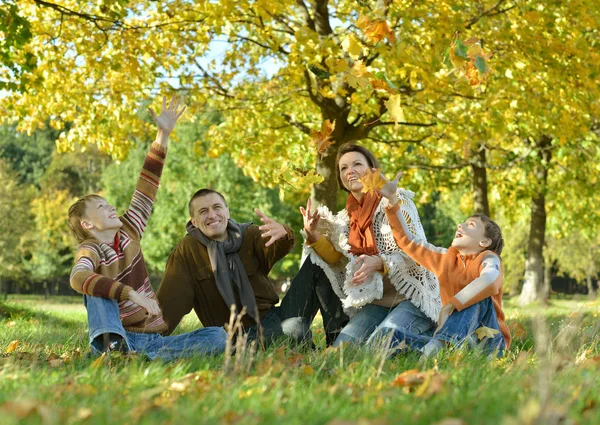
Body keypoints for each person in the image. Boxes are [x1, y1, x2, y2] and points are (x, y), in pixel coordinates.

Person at [68, 96, 227, 360]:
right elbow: (77, 277)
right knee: (95, 287)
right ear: (87, 224)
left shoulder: (130, 230)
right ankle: (113, 349)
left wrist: (162, 134)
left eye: (108, 203)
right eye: (101, 207)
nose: (110, 207)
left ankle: (141, 357)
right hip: (116, 331)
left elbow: (147, 185)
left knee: (217, 337)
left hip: (151, 340)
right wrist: (131, 294)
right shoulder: (90, 250)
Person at [296, 143, 442, 347]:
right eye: (343, 168)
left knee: (381, 344)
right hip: (378, 304)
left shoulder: (396, 200)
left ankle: (446, 342)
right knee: (342, 348)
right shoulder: (346, 220)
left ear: (372, 169)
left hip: (413, 297)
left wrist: (380, 263)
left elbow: (417, 252)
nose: (350, 171)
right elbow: (337, 260)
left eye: (357, 164)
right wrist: (312, 234)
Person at [377, 172, 510, 357]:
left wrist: (450, 306)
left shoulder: (489, 259)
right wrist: (391, 200)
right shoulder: (445, 259)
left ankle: (435, 349)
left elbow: (490, 280)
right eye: (462, 223)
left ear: (484, 242)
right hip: (457, 342)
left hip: (489, 345)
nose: (460, 226)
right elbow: (408, 241)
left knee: (478, 296)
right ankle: (433, 352)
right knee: (387, 335)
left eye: (470, 225)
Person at [156, 188, 306, 347]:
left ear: (227, 212)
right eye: (203, 211)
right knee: (296, 328)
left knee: (318, 263)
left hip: (271, 316)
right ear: (193, 221)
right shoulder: (188, 250)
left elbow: (274, 247)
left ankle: (334, 341)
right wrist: (146, 339)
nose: (212, 215)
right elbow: (170, 299)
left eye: (217, 207)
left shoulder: (248, 233)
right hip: (233, 336)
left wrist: (283, 234)